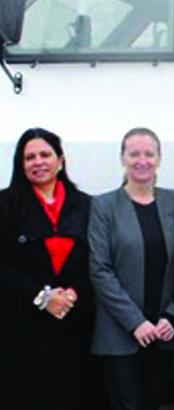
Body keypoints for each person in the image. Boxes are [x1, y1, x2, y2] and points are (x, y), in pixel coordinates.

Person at [88, 127, 174, 410]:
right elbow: (100, 270)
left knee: (153, 402)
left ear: (159, 158)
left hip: (164, 330)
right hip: (118, 331)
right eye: (134, 154)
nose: (142, 161)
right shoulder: (103, 206)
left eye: (149, 154)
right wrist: (136, 322)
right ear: (122, 158)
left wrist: (173, 316)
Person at [0, 128, 103, 410]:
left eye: (45, 154)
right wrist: (43, 297)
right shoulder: (5, 205)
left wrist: (73, 294)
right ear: (20, 164)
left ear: (60, 160)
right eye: (29, 157)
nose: (38, 162)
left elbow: (98, 261)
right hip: (21, 326)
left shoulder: (87, 205)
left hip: (75, 320)